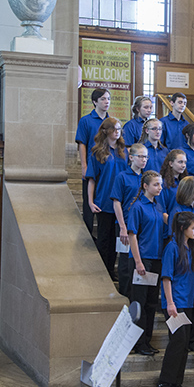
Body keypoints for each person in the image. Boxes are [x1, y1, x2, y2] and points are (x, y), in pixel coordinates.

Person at [157, 211, 194, 387]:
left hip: (187, 301)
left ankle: (177, 382)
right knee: (177, 341)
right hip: (174, 302)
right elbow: (166, 277)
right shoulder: (172, 247)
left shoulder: (190, 247)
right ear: (183, 228)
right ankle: (164, 381)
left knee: (184, 344)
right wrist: (170, 303)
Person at [126, 170, 167, 357]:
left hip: (156, 259)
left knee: (151, 303)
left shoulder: (158, 206)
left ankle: (147, 340)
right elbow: (132, 235)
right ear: (145, 186)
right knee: (140, 303)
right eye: (156, 184)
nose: (160, 187)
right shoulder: (137, 207)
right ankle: (137, 342)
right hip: (143, 260)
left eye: (160, 184)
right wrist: (138, 261)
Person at [168, 176, 194, 353]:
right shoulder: (177, 211)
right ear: (187, 190)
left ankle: (193, 339)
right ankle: (183, 339)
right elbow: (173, 236)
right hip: (185, 259)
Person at [86, 117, 128, 280]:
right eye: (115, 129)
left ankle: (112, 269)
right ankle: (103, 272)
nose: (118, 132)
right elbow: (91, 179)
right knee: (104, 239)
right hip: (104, 201)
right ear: (106, 131)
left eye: (119, 129)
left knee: (117, 240)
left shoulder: (123, 151)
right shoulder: (97, 152)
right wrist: (90, 201)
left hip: (121, 203)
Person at [110, 142, 148, 297]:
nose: (144, 160)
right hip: (125, 224)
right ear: (131, 157)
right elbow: (116, 202)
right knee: (125, 263)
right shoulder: (122, 176)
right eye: (140, 156)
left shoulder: (147, 178)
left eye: (146, 157)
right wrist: (122, 227)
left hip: (143, 226)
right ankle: (125, 296)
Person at [75, 88, 111, 233]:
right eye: (103, 99)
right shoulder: (86, 120)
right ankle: (88, 233)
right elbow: (82, 143)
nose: (106, 102)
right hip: (92, 166)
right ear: (95, 101)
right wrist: (84, 165)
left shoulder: (110, 122)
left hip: (107, 167)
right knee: (88, 201)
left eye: (108, 98)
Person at [159, 149, 187, 213]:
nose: (183, 165)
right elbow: (162, 211)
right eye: (180, 162)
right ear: (171, 163)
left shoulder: (184, 182)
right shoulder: (163, 184)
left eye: (185, 162)